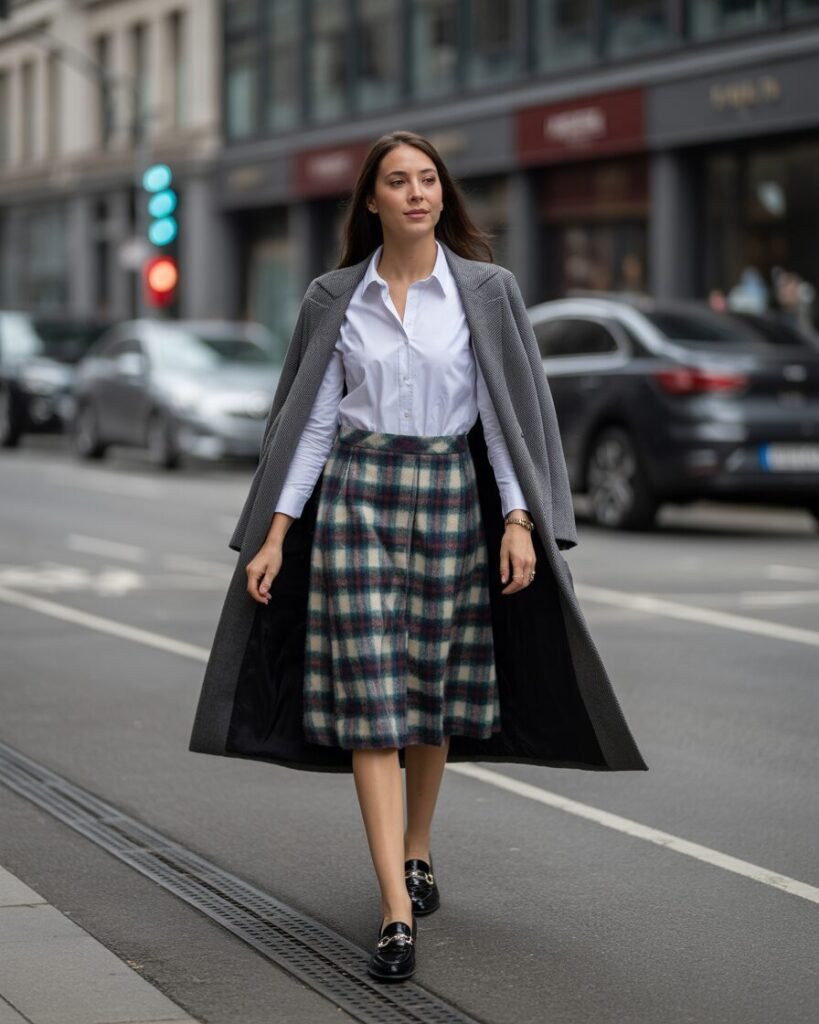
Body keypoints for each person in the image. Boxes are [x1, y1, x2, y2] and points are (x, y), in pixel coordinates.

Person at [189, 131, 646, 983]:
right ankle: (396, 913)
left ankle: (418, 845)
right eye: (396, 181)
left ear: (442, 193)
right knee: (372, 699)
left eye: (426, 179)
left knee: (426, 696)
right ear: (371, 200)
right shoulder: (336, 297)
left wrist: (517, 518)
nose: (414, 193)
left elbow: (500, 415)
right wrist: (278, 534)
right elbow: (313, 422)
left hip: (448, 500)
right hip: (357, 502)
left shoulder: (485, 290)